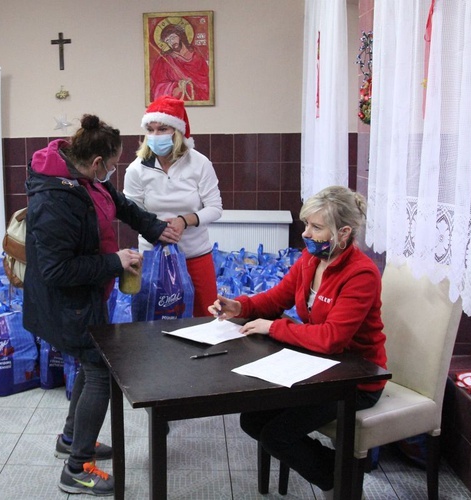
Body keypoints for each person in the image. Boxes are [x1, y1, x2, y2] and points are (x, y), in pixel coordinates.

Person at [22, 114, 179, 496]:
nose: (113, 172)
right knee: (99, 372)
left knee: (91, 364)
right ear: (96, 163)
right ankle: (75, 469)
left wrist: (154, 228)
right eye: (112, 165)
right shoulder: (55, 199)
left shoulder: (85, 181)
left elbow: (119, 203)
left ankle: (72, 438)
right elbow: (57, 269)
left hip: (89, 294)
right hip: (66, 302)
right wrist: (115, 261)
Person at [208, 185, 387, 499]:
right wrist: (240, 306)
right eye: (307, 224)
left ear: (344, 233)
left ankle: (340, 479)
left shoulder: (362, 274)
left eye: (316, 227)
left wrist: (275, 327)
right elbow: (276, 298)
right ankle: (339, 466)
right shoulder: (310, 259)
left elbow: (331, 339)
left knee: (278, 436)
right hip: (319, 368)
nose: (306, 233)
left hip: (355, 380)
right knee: (252, 419)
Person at [124, 95, 223, 317]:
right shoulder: (136, 169)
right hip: (153, 258)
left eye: (162, 129)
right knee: (153, 321)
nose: (155, 135)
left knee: (204, 320)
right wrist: (155, 229)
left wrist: (183, 221)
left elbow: (215, 208)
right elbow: (130, 212)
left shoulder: (199, 164)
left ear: (177, 132)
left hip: (195, 256)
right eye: (150, 129)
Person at [150, 22, 210, 102]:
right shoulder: (165, 60)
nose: (171, 42)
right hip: (177, 100)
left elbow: (206, 81)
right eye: (167, 41)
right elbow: (158, 86)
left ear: (180, 36)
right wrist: (176, 86)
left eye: (172, 38)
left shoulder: (197, 55)